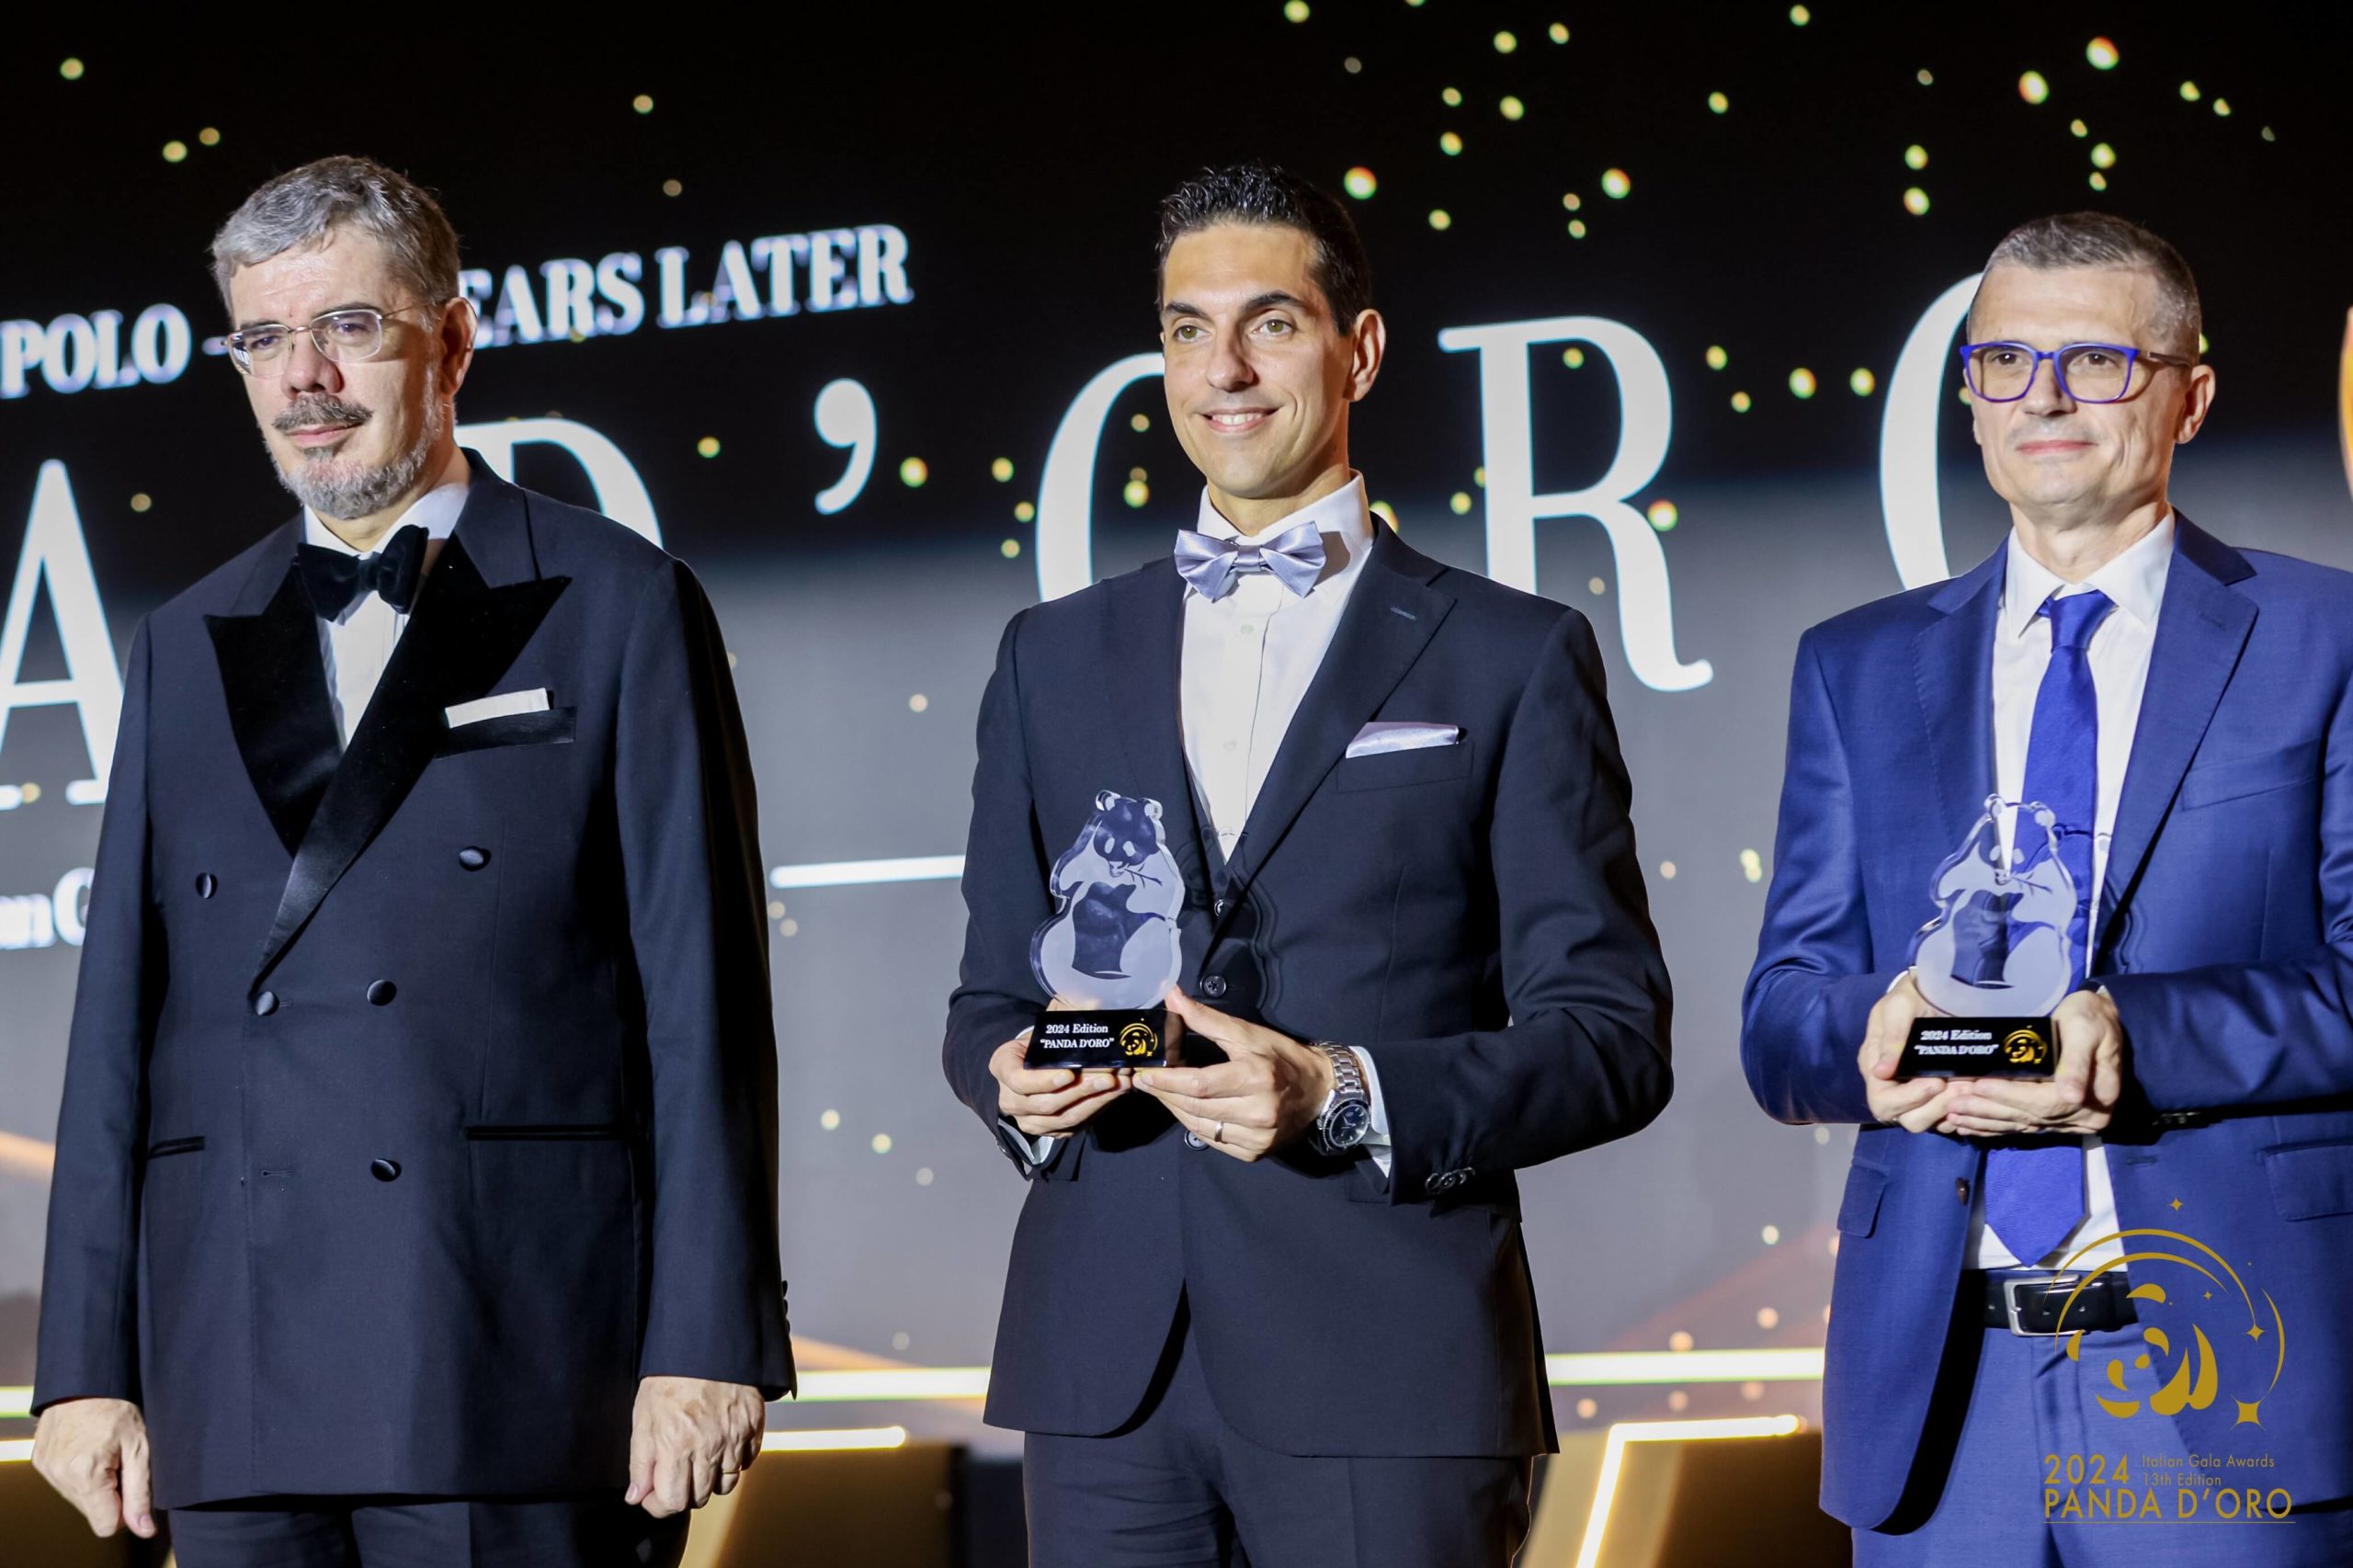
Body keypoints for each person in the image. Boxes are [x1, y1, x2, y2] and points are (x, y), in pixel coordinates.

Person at [31, 156, 791, 1568]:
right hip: (233, 1361)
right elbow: (117, 1028)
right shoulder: (184, 641)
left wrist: (707, 1336)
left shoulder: (618, 602)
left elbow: (704, 1003)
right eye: (265, 338)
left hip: (506, 1345)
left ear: (452, 338)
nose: (304, 378)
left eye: (349, 327)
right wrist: (82, 1364)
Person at [943, 162, 1673, 1567]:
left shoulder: (1510, 654)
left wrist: (1340, 1092)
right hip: (1105, 1375)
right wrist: (1015, 1082)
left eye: (1269, 324)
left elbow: (1610, 1040)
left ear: (1360, 349)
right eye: (1186, 329)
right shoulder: (1051, 656)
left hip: (1386, 1361)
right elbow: (987, 999)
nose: (1222, 369)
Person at [1745, 211, 2353, 1564]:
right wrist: (1876, 1031)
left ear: (2190, 396)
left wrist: (2132, 1034)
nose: (2047, 399)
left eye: (2099, 363)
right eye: (2007, 362)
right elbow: (1781, 1017)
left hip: (2223, 1369)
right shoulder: (1855, 665)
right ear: (1969, 396)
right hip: (1943, 1398)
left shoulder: (2328, 637)